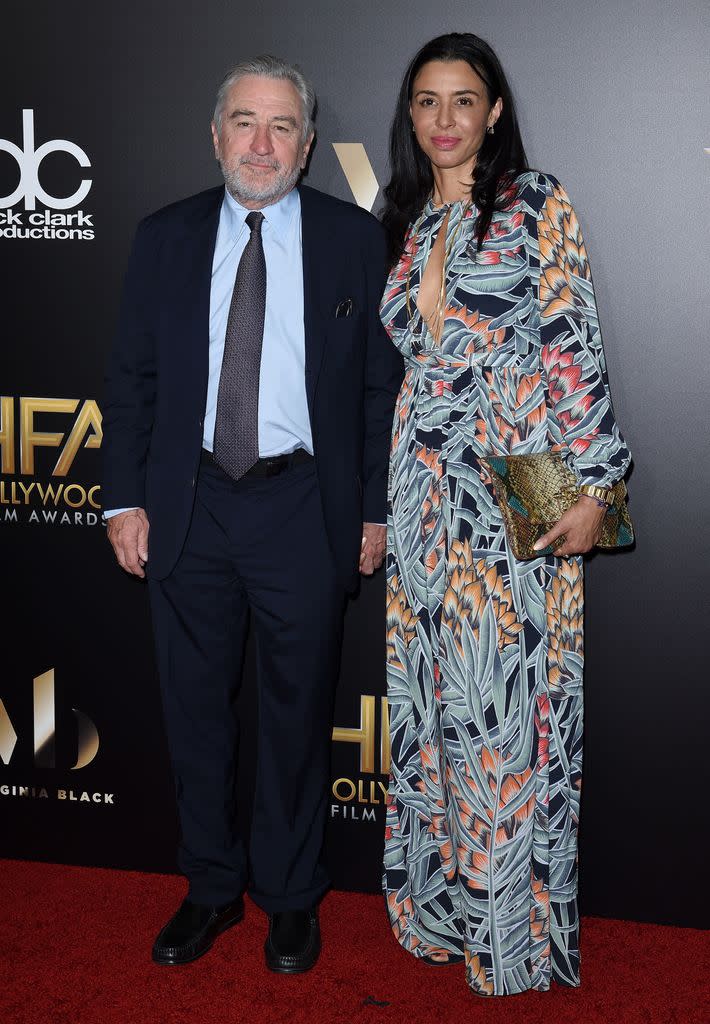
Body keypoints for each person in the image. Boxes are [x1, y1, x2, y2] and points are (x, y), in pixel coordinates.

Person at [102, 55, 402, 973]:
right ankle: (210, 888)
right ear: (216, 133)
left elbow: (380, 392)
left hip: (302, 505)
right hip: (189, 502)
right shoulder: (165, 236)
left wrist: (373, 509)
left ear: (308, 144)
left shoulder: (356, 239)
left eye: (281, 127)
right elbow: (132, 377)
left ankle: (290, 895)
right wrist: (123, 497)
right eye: (244, 122)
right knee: (195, 714)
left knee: (297, 713)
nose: (262, 144)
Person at [380, 33, 631, 996]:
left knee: (506, 715)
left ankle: (511, 935)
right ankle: (442, 912)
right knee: (433, 715)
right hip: (421, 495)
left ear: (493, 111)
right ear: (410, 116)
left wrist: (596, 486)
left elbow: (572, 338)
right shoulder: (405, 220)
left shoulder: (534, 202)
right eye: (427, 102)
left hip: (514, 485)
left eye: (463, 100)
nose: (445, 120)